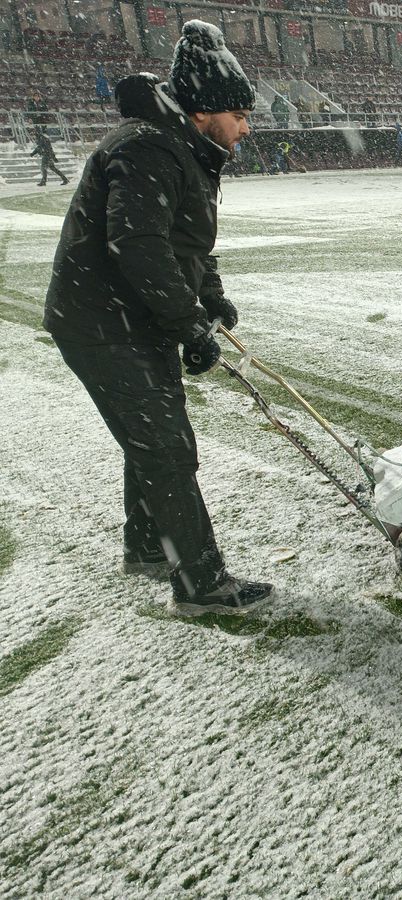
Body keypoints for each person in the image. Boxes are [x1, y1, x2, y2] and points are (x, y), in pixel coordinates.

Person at [42, 20, 273, 615]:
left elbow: (186, 245)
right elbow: (138, 245)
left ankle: (148, 547)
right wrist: (188, 324)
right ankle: (199, 585)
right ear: (205, 110)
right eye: (240, 115)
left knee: (152, 439)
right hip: (102, 321)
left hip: (130, 319)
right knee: (167, 447)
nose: (247, 127)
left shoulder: (185, 148)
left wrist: (210, 298)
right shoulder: (147, 147)